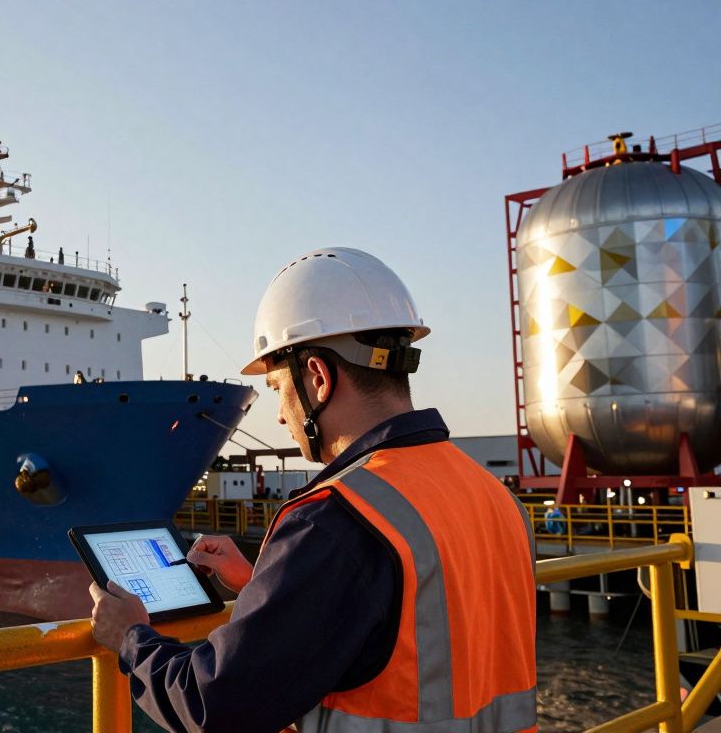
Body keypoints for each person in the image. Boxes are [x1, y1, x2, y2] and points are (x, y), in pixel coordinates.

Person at [89, 247, 537, 732]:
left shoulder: (336, 518)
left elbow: (214, 704)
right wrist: (266, 585)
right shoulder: (496, 497)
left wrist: (132, 637)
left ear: (318, 378)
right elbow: (420, 619)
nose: (281, 416)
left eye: (278, 389)